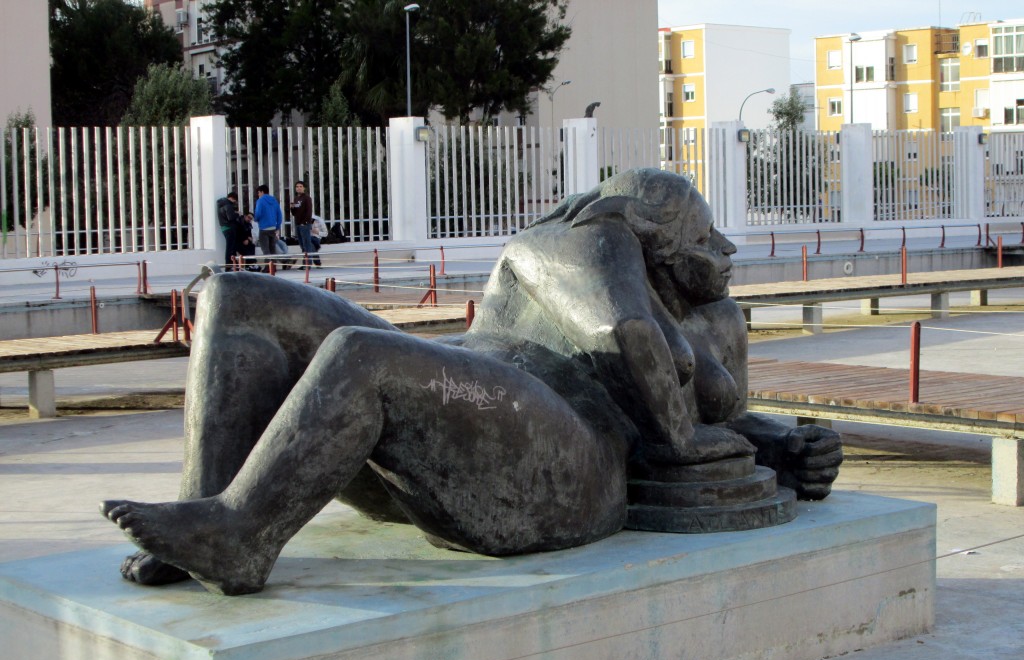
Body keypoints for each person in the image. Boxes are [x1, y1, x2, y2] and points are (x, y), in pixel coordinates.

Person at [103, 169, 842, 596]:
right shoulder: (588, 246)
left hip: (563, 469)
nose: (727, 251)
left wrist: (790, 443)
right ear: (658, 234)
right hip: (512, 422)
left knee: (364, 354)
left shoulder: (714, 321)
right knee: (236, 296)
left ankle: (241, 532)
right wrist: (681, 439)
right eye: (709, 239)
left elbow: (725, 419)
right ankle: (214, 517)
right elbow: (626, 332)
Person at [290, 180, 320, 268]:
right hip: (298, 224)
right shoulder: (296, 199)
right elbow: (294, 213)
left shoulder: (306, 198)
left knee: (307, 244)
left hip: (304, 224)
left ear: (304, 188)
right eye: (297, 186)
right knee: (302, 244)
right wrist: (292, 208)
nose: (298, 188)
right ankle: (305, 262)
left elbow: (309, 211)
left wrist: (306, 222)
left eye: (300, 186)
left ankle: (307, 264)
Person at [254, 184, 283, 270]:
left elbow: (258, 214)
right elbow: (279, 214)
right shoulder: (274, 200)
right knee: (272, 249)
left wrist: (256, 219)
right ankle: (273, 267)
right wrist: (277, 226)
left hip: (263, 228)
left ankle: (268, 267)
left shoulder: (260, 201)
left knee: (265, 249)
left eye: (258, 193)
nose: (258, 195)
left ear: (262, 192)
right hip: (273, 228)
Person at [216, 191, 240, 269]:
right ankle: (229, 265)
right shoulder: (228, 205)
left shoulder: (220, 204)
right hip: (230, 228)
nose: (235, 203)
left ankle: (230, 265)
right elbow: (231, 217)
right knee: (231, 247)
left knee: (229, 247)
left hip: (224, 227)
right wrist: (237, 214)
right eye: (235, 201)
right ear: (233, 198)